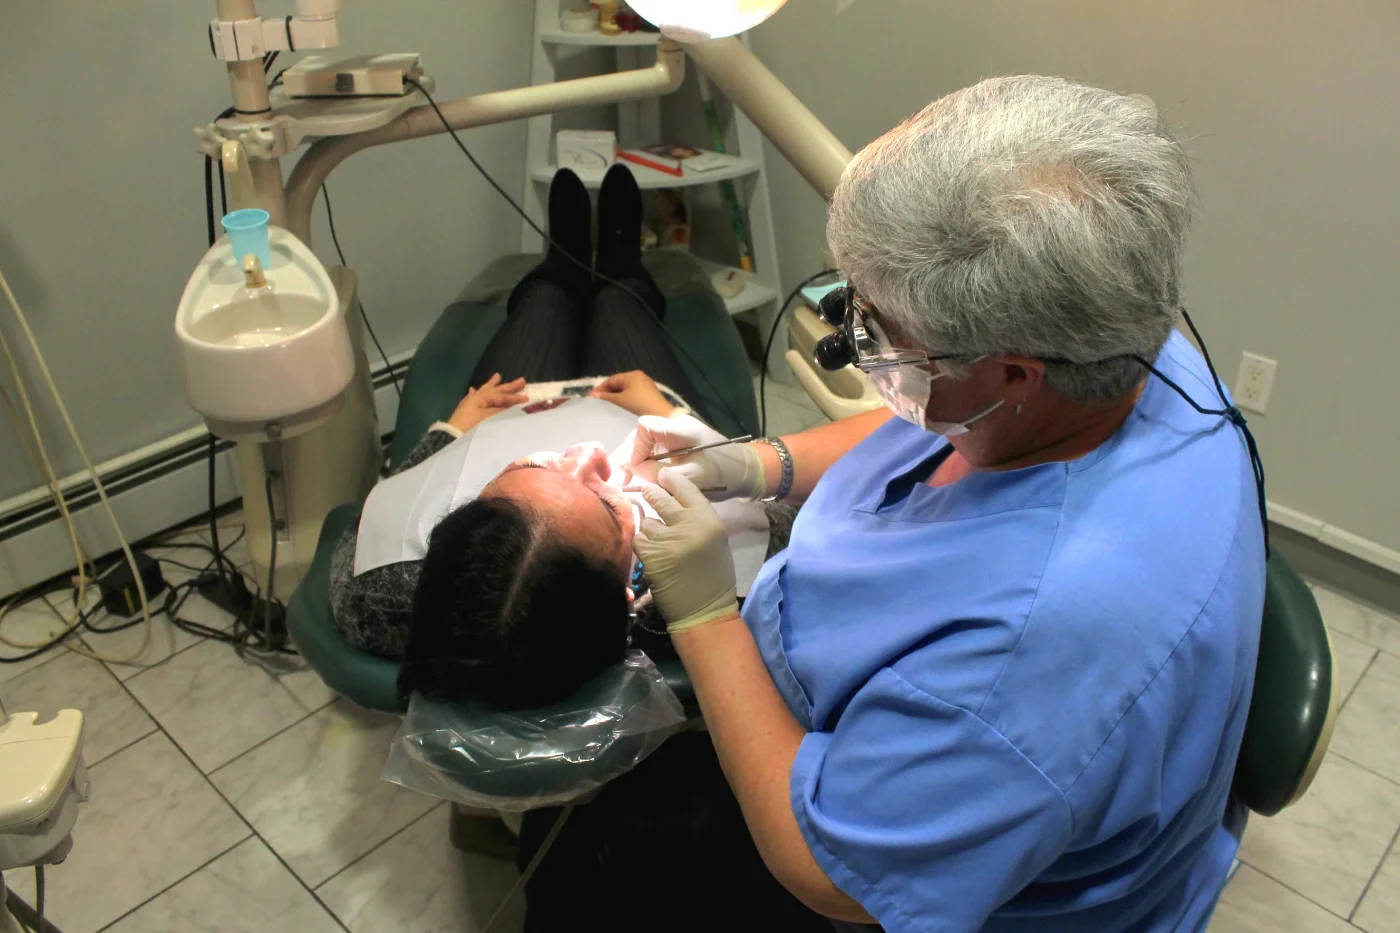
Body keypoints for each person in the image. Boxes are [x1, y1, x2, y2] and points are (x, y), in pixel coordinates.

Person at [626, 76, 1267, 932]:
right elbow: (934, 427)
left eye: (880, 330)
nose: (854, 339)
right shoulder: (1120, 354)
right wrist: (761, 463)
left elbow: (832, 877)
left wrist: (705, 616)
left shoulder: (1025, 663)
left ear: (1012, 373)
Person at [329, 165, 783, 710]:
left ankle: (562, 263)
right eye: (606, 505)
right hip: (634, 400)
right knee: (620, 302)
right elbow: (780, 515)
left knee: (546, 303)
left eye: (531, 468)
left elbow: (392, 506)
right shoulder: (710, 582)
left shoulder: (383, 599)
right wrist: (668, 413)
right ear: (625, 597)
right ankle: (620, 262)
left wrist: (452, 433)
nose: (587, 454)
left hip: (519, 406)